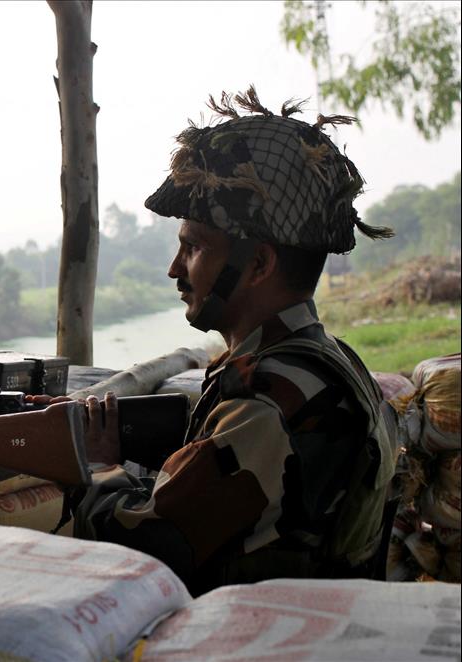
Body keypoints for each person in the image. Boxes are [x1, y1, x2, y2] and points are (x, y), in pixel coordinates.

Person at [59, 87, 398, 595]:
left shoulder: (269, 398)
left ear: (258, 264)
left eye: (194, 248)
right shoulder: (330, 360)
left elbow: (143, 547)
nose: (175, 269)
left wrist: (97, 465)